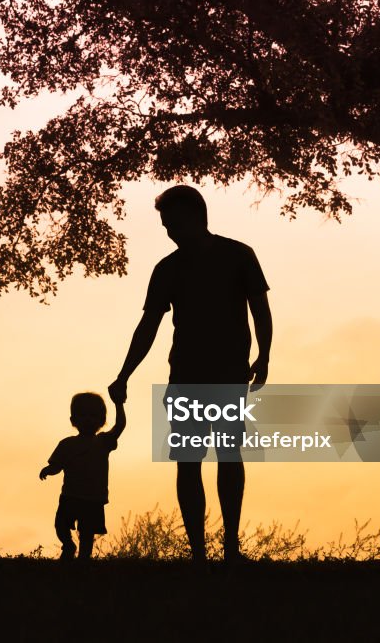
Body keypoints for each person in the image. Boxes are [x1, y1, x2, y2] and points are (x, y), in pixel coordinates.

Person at [108, 185, 273, 562]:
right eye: (165, 225)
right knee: (189, 459)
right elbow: (148, 325)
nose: (168, 231)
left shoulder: (239, 255)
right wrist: (124, 373)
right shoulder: (167, 269)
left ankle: (230, 546)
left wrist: (264, 355)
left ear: (195, 217)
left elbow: (260, 310)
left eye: (172, 223)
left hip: (229, 373)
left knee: (229, 455)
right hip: (185, 374)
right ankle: (197, 551)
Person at [39, 392, 127, 560]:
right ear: (73, 420)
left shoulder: (103, 442)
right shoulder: (66, 444)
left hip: (93, 498)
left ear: (101, 421)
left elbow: (120, 425)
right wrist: (49, 470)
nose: (88, 419)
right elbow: (58, 465)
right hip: (70, 495)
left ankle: (84, 559)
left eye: (93, 415)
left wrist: (119, 404)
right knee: (61, 525)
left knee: (87, 532)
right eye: (83, 415)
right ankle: (68, 545)